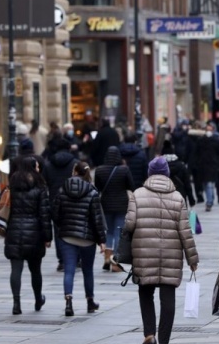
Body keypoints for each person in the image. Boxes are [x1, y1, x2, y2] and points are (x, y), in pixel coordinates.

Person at [125, 157, 199, 344]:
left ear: (149, 173)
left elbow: (129, 224)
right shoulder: (177, 197)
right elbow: (185, 231)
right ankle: (164, 339)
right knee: (168, 298)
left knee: (145, 292)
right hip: (170, 255)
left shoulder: (137, 194)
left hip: (143, 254)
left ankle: (150, 333)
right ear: (167, 173)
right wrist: (192, 258)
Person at [52, 161, 107, 317]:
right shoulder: (92, 191)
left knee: (69, 270)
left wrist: (63, 226)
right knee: (87, 270)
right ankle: (90, 301)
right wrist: (101, 240)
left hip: (67, 236)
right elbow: (97, 219)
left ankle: (68, 302)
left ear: (74, 172)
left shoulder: (62, 189)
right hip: (87, 238)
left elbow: (55, 213)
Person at [5, 156, 52, 315]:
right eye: (37, 167)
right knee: (35, 270)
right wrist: (47, 237)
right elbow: (45, 214)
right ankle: (38, 299)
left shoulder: (11, 186)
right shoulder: (40, 187)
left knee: (15, 269)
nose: (39, 169)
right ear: (32, 168)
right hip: (34, 232)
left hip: (14, 230)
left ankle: (16, 303)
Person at [93, 146, 135, 272]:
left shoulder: (99, 170)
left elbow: (97, 188)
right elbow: (131, 185)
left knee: (109, 232)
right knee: (119, 232)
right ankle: (115, 262)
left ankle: (107, 257)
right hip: (122, 205)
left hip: (105, 205)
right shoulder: (124, 170)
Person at [43, 137, 79, 272]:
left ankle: (62, 260)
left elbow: (44, 183)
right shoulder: (75, 163)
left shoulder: (48, 165)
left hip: (55, 201)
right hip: (73, 200)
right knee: (75, 229)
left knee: (59, 232)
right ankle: (76, 258)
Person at [195, 122, 219, 212]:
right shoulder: (201, 140)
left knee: (209, 184)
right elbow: (196, 153)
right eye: (207, 130)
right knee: (206, 184)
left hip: (212, 165)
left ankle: (209, 202)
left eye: (210, 130)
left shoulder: (216, 141)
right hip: (203, 165)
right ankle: (210, 197)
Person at [161, 140, 196, 207]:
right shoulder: (181, 166)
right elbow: (187, 184)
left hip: (164, 198)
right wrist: (191, 201)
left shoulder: (159, 167)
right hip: (180, 196)